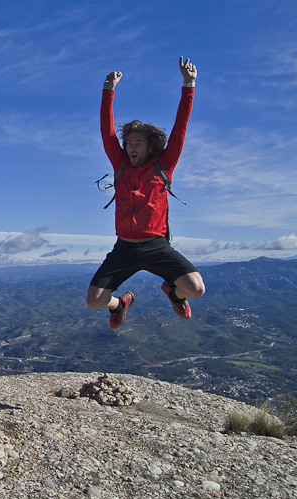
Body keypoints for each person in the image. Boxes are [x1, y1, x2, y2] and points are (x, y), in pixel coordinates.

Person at [87, 56, 206, 328]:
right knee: (94, 301)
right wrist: (108, 91)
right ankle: (121, 304)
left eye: (138, 143)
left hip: (156, 246)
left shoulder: (163, 166)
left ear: (150, 148)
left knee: (197, 289)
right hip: (124, 247)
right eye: (129, 142)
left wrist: (189, 85)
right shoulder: (120, 166)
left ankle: (174, 294)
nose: (131, 147)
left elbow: (181, 128)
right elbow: (107, 133)